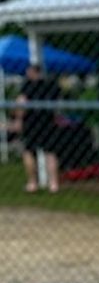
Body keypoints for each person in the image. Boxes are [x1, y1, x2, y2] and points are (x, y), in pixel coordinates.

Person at [16, 64, 61, 194]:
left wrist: (19, 119)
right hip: (48, 122)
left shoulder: (28, 85)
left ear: (32, 72)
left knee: (29, 152)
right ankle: (53, 184)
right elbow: (57, 104)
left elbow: (21, 102)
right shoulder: (51, 85)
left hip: (31, 122)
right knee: (50, 153)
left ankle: (32, 183)